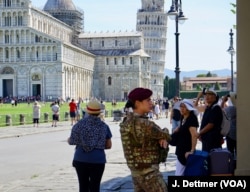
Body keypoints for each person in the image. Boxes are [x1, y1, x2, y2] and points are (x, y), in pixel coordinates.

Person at [119, 87, 171, 192]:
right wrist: (163, 135)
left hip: (136, 173)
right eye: (148, 100)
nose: (151, 102)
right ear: (137, 103)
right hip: (150, 174)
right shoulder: (144, 124)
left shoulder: (126, 121)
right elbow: (166, 135)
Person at [68, 100, 112, 192]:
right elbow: (108, 145)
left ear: (88, 111)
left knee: (83, 186)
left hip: (80, 159)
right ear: (99, 112)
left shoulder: (79, 124)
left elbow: (72, 141)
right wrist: (97, 144)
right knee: (95, 187)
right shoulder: (104, 126)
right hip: (98, 160)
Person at [173, 99, 199, 176]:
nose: (182, 108)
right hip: (181, 149)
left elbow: (194, 135)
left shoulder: (192, 119)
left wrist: (192, 150)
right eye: (181, 107)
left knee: (179, 174)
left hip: (186, 150)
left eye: (184, 107)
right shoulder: (183, 117)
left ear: (189, 109)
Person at [220, 93, 237, 157]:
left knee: (230, 152)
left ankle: (232, 165)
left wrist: (223, 100)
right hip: (240, 134)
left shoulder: (231, 109)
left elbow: (221, 110)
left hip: (230, 134)